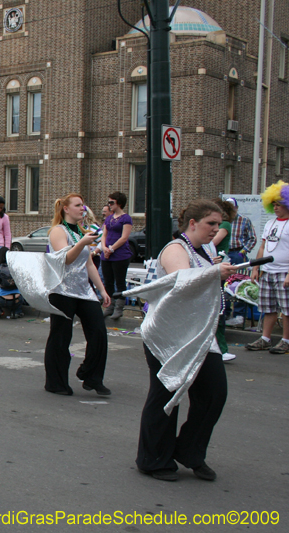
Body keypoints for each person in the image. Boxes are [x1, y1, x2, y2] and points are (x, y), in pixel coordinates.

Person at [136, 199, 238, 482]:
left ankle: (189, 451)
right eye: (211, 224)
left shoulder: (206, 249)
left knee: (214, 393)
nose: (216, 230)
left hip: (200, 334)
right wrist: (214, 273)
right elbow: (184, 281)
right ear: (192, 224)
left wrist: (217, 269)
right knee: (166, 393)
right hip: (167, 335)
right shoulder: (174, 249)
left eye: (218, 224)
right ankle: (153, 459)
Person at [44, 193, 111, 396]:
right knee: (61, 336)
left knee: (99, 332)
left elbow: (88, 263)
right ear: (66, 208)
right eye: (78, 205)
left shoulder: (81, 231)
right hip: (62, 290)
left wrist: (101, 289)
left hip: (83, 290)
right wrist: (82, 243)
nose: (83, 208)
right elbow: (66, 259)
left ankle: (91, 376)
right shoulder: (58, 231)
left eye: (83, 205)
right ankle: (56, 382)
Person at [246, 181, 289, 354]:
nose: (276, 207)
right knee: (268, 307)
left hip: (284, 271)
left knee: (287, 309)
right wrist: (256, 268)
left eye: (279, 203)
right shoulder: (270, 224)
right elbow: (263, 247)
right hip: (268, 271)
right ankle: (265, 339)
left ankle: (286, 340)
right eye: (274, 204)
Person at [210, 198, 236, 362]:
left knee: (218, 309)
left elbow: (213, 242)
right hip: (213, 266)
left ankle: (222, 348)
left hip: (218, 267)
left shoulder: (224, 225)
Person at [101, 191, 133, 319]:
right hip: (107, 255)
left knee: (119, 281)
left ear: (119, 203)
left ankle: (119, 308)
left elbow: (124, 237)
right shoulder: (109, 218)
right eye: (109, 202)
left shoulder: (126, 219)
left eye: (112, 202)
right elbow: (104, 234)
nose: (109, 205)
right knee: (108, 282)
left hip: (120, 255)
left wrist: (112, 249)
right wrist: (104, 248)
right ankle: (109, 306)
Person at [225, 198, 257, 325]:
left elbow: (252, 238)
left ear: (236, 208)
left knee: (239, 282)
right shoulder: (222, 221)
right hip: (225, 253)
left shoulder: (244, 220)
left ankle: (239, 315)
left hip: (238, 253)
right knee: (226, 283)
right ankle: (225, 312)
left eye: (232, 208)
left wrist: (243, 251)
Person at [0, 246, 23, 318]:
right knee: (21, 293)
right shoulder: (16, 267)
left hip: (1, 300)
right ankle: (17, 312)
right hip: (16, 299)